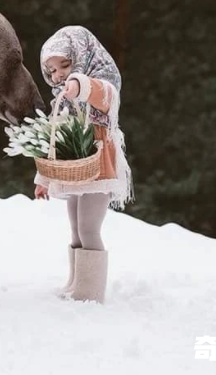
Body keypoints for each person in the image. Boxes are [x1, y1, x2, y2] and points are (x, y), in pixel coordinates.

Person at [34, 25, 133, 303]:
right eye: (51, 71)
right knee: (76, 228)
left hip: (99, 163)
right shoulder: (63, 99)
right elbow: (57, 139)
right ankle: (76, 281)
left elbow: (103, 95)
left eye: (64, 65)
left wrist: (80, 85)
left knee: (89, 228)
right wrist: (43, 179)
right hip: (77, 167)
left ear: (80, 56)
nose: (58, 75)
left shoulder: (104, 80)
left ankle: (90, 292)